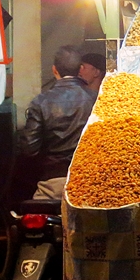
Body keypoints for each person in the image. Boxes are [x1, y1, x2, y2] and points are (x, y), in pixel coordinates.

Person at [18, 46, 94, 200]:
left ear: (54, 70)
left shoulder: (41, 102)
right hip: (90, 182)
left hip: (53, 183)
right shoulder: (96, 99)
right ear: (80, 69)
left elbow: (29, 149)